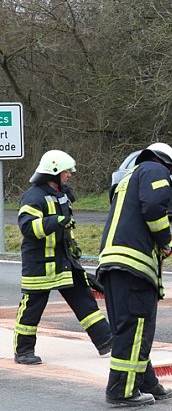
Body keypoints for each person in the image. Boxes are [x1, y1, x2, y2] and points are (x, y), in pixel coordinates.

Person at [13, 150, 114, 365]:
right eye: (67, 172)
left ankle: (106, 341)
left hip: (64, 261)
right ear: (54, 172)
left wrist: (73, 245)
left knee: (84, 300)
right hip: (40, 264)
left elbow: (67, 226)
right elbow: (28, 228)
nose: (69, 175)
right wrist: (55, 221)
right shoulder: (33, 197)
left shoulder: (63, 195)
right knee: (32, 308)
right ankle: (23, 351)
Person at [98, 142, 172, 406]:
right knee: (135, 327)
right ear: (167, 164)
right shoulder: (155, 170)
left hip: (114, 263)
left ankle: (145, 381)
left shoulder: (128, 178)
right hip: (133, 266)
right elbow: (154, 208)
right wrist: (165, 240)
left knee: (131, 330)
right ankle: (120, 390)